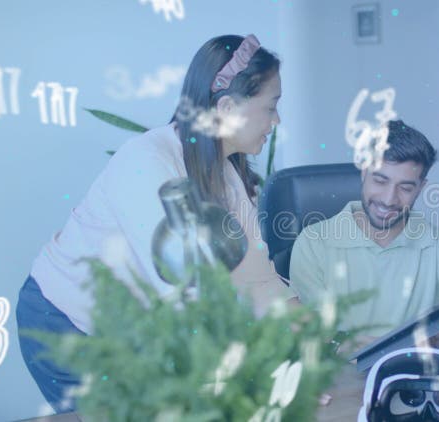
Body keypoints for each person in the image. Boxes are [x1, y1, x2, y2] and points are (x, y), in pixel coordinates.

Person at [16, 34, 295, 413]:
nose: (277, 120)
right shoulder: (145, 162)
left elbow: (259, 280)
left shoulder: (227, 177)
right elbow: (184, 297)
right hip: (65, 321)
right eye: (271, 107)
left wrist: (313, 342)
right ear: (228, 107)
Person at [289, 119, 439, 363]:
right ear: (364, 172)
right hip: (338, 383)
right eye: (380, 181)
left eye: (406, 188)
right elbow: (304, 335)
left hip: (418, 381)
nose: (389, 199)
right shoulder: (313, 243)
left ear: (421, 188)